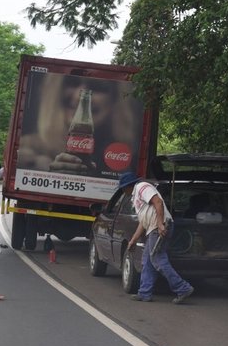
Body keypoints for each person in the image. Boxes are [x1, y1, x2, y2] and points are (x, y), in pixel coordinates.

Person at [17, 73, 143, 177]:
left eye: (97, 86)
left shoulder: (127, 157)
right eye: (72, 83)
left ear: (116, 99)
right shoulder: (27, 148)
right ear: (54, 91)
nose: (79, 96)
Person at [119, 172, 194, 304]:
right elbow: (143, 222)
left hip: (158, 227)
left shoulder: (142, 187)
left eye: (122, 188)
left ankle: (183, 288)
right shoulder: (136, 197)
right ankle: (144, 293)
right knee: (147, 261)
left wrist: (160, 224)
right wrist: (133, 241)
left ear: (127, 186)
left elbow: (158, 202)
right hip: (152, 228)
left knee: (157, 259)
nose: (123, 191)